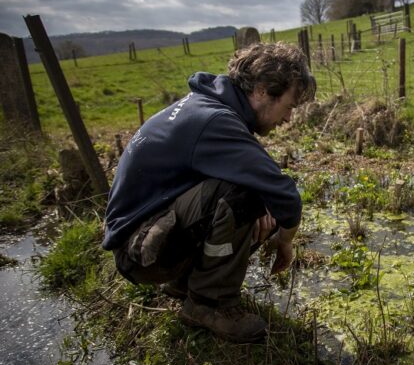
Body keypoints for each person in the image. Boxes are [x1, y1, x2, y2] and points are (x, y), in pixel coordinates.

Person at [102, 42, 315, 343]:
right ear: (264, 90)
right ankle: (208, 304)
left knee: (251, 195)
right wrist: (285, 242)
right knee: (244, 195)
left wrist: (261, 207)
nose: (289, 118)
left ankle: (185, 284)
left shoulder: (207, 108)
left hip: (146, 236)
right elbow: (285, 193)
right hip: (140, 253)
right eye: (290, 106)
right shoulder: (215, 121)